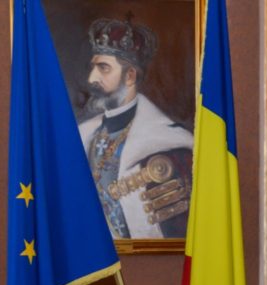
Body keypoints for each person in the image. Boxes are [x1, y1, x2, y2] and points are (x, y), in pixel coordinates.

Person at [78, 16, 194, 239]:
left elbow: (176, 234)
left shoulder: (171, 145)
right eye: (94, 67)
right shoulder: (83, 135)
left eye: (103, 68)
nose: (92, 78)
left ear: (130, 75)